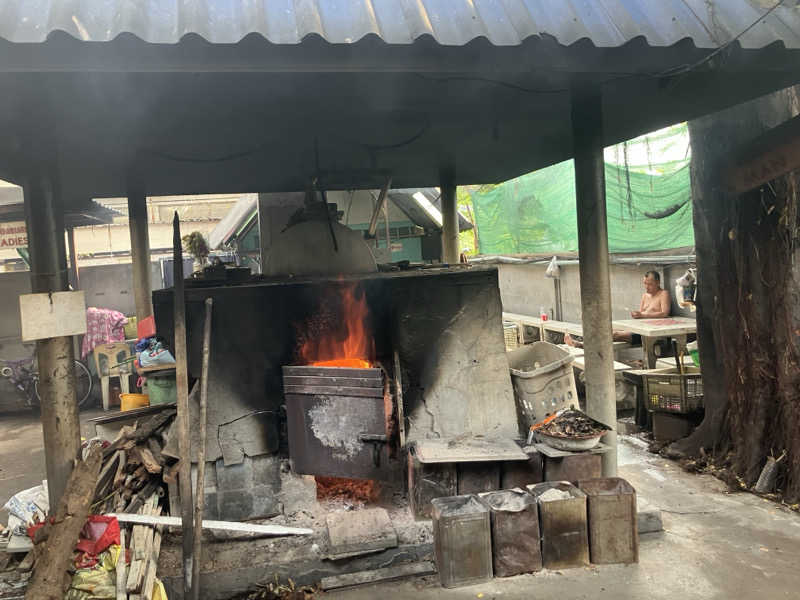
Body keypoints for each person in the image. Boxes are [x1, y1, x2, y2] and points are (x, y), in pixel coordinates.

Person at [613, 270, 670, 344]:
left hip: (649, 333)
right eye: (645, 284)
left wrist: (642, 315)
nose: (646, 287)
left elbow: (664, 313)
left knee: (614, 335)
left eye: (650, 284)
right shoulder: (645, 296)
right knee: (608, 330)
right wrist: (636, 314)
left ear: (658, 283)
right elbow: (640, 315)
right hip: (640, 328)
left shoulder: (663, 294)